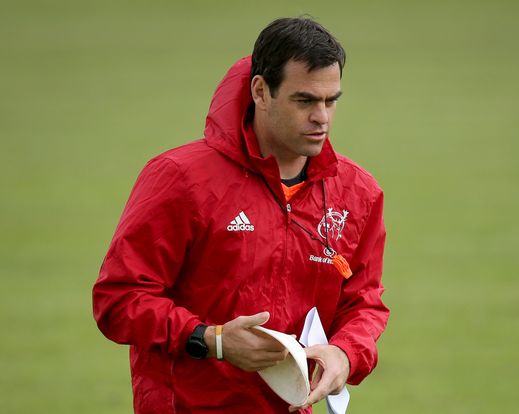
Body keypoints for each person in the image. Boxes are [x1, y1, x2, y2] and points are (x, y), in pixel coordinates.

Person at [92, 17, 389, 413]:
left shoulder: (358, 192)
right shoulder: (180, 178)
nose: (322, 117)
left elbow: (364, 302)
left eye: (331, 100)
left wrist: (345, 353)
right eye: (304, 101)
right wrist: (210, 339)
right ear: (261, 91)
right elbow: (119, 298)